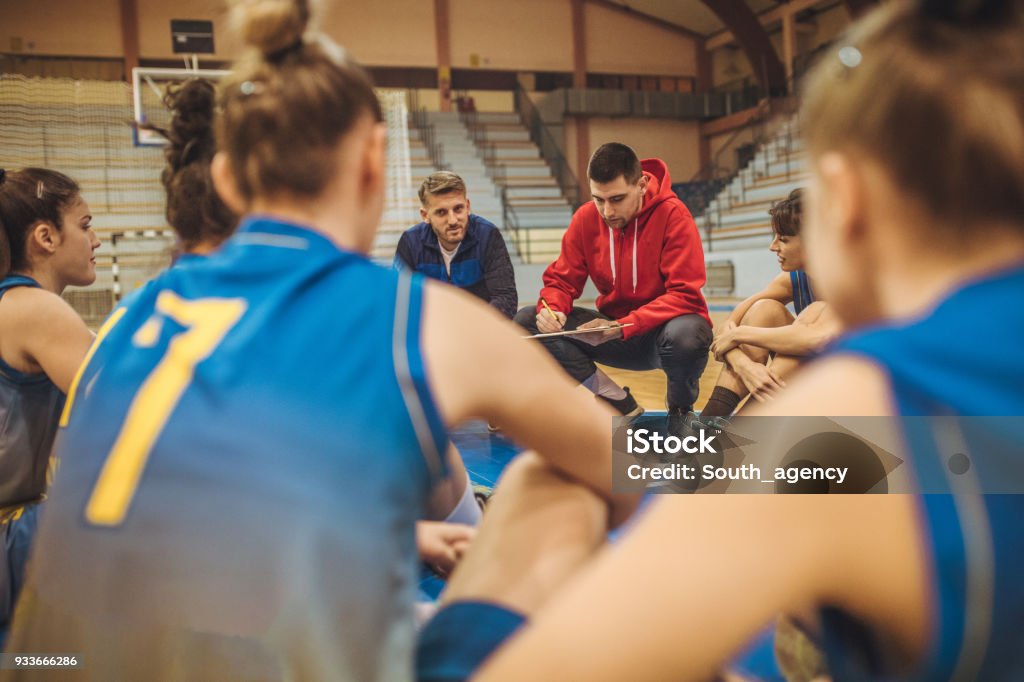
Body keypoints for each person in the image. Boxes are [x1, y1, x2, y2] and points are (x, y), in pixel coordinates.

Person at [1, 1, 635, 679]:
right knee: (550, 481)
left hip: (50, 660)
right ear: (373, 160)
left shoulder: (141, 313)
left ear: (224, 178)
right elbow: (629, 461)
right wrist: (752, 450)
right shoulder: (408, 314)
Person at [415, 0, 1024, 679]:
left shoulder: (872, 414)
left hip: (694, 409)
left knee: (544, 485)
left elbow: (782, 459)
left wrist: (522, 488)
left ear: (843, 201)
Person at [514, 143, 712, 418]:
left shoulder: (673, 215)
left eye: (617, 199)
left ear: (641, 184)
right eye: (598, 199)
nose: (606, 211)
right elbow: (561, 280)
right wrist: (553, 309)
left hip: (660, 335)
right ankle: (617, 401)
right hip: (610, 335)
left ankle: (681, 412)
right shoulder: (585, 218)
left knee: (688, 335)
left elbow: (685, 294)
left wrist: (624, 325)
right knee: (527, 320)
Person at [0, 167, 98, 645]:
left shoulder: (15, 307)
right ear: (45, 237)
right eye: (84, 224)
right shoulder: (35, 309)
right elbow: (124, 409)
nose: (95, 239)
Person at [702, 188, 839, 417]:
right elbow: (728, 327)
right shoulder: (791, 280)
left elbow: (818, 339)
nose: (773, 246)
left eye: (783, 239)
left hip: (865, 388)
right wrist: (745, 366)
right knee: (764, 310)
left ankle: (737, 434)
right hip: (808, 383)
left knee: (813, 314)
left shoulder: (852, 279)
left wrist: (740, 335)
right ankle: (709, 424)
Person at [395, 171, 517, 319]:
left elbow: (505, 298)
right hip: (431, 334)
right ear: (425, 215)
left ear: (467, 206)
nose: (452, 220)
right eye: (441, 212)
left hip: (479, 331)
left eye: (458, 209)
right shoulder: (410, 243)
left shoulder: (487, 235)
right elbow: (397, 302)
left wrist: (471, 330)